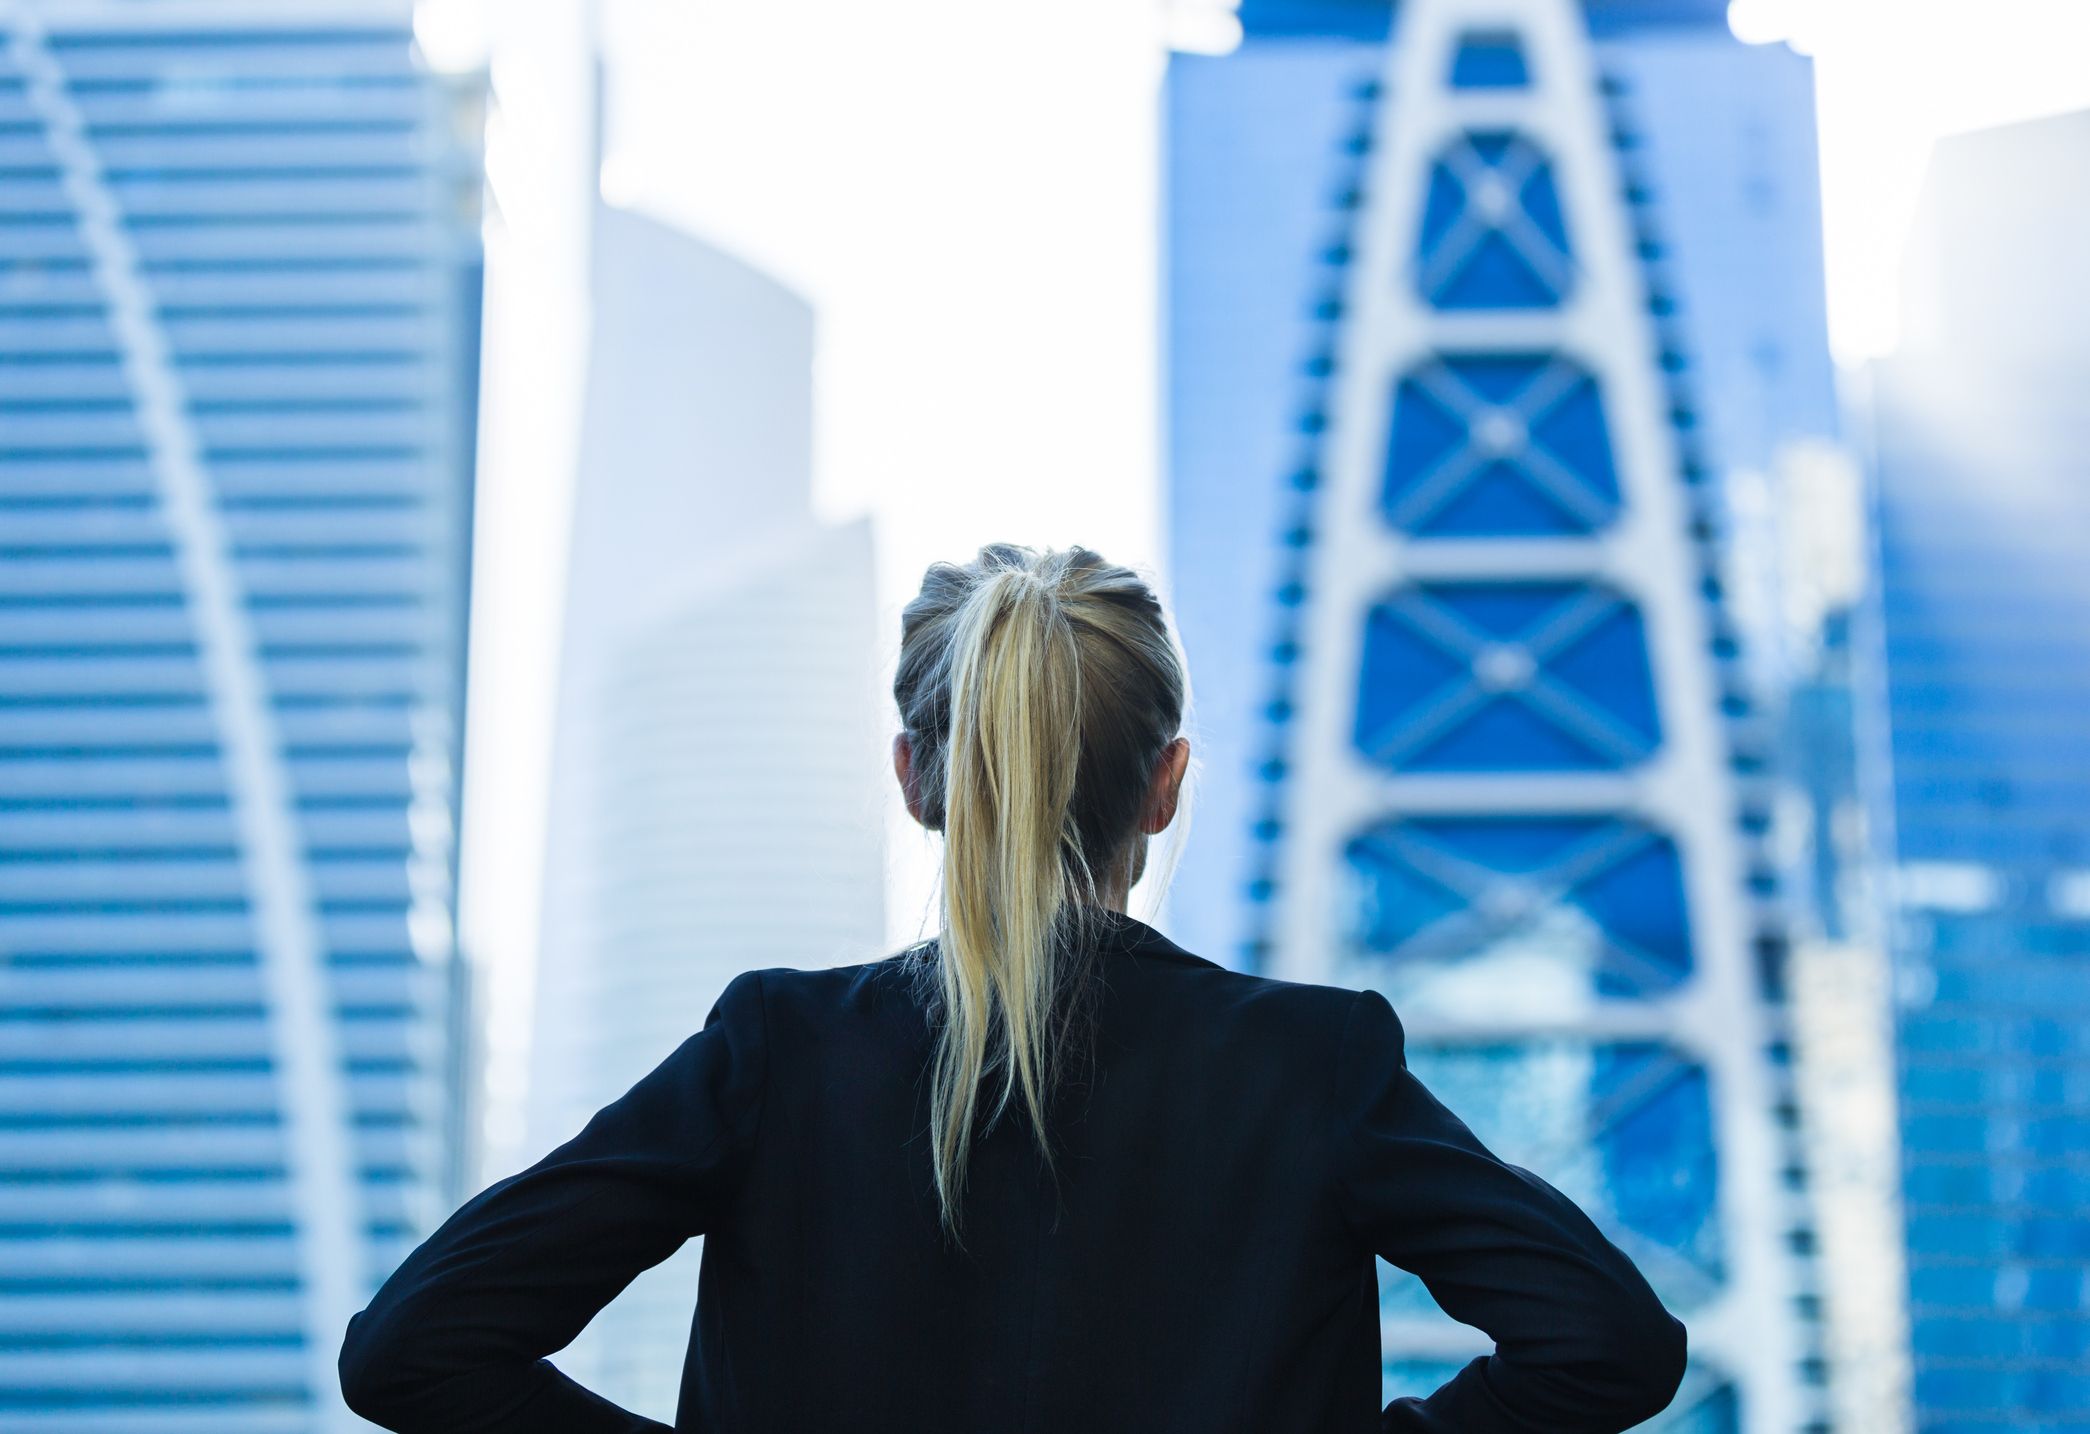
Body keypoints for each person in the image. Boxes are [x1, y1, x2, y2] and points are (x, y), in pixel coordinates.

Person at [338, 542, 1687, 1432]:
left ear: (915, 777)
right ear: (1165, 786)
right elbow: (1608, 1341)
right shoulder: (1307, 1062)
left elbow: (412, 1347)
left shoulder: (777, 1053)